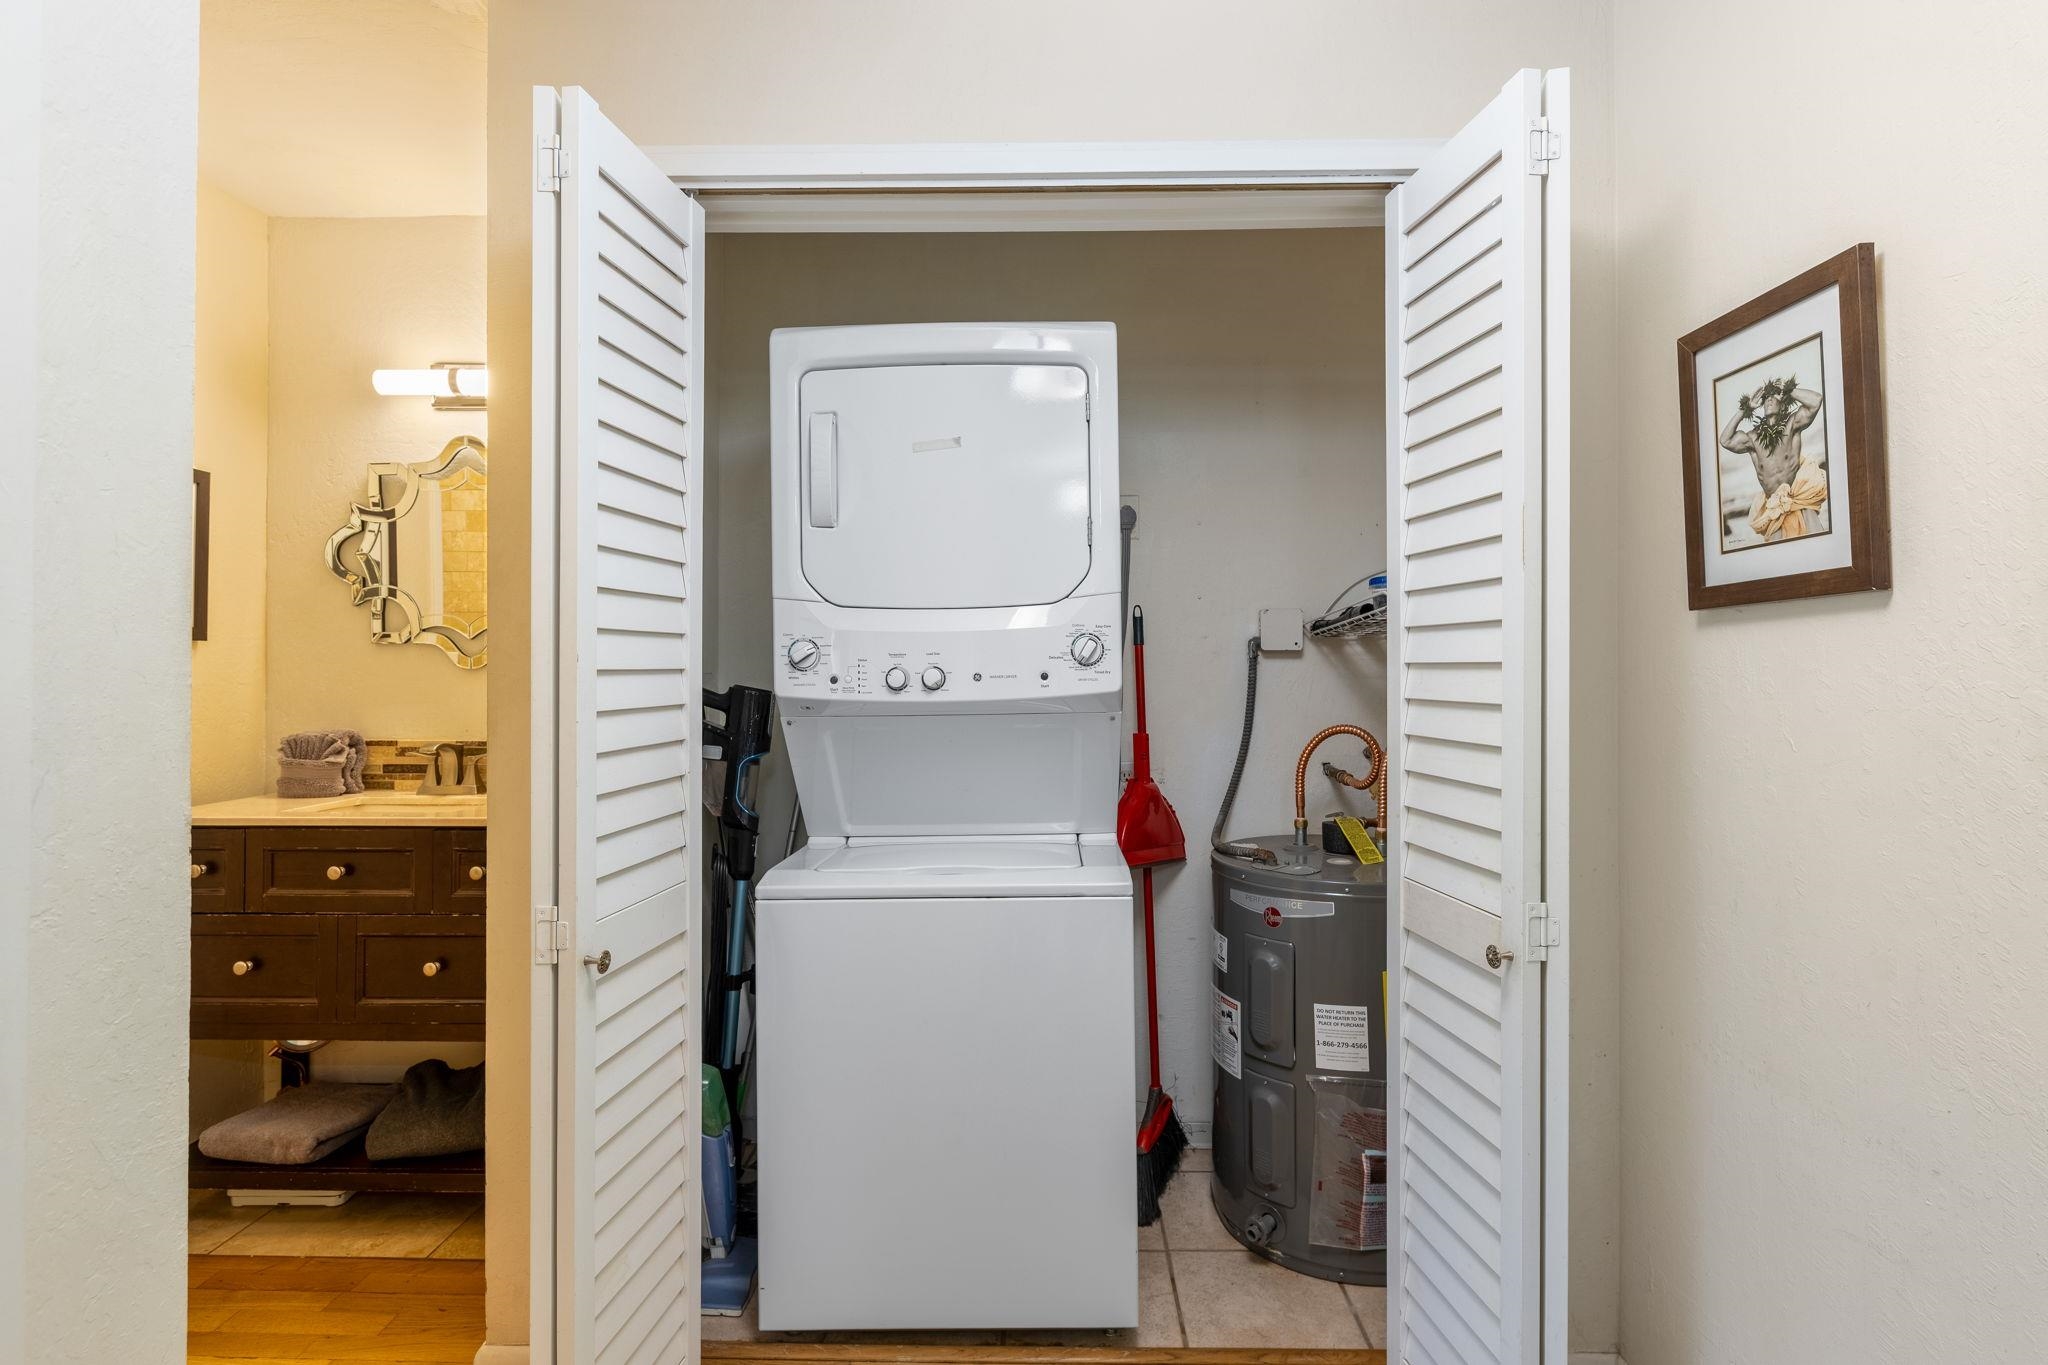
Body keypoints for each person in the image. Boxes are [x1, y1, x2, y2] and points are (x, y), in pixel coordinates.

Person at [1719, 377, 1826, 542]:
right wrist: (1745, 409)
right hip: (1773, 511)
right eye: (1766, 396)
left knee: (1815, 551)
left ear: (1782, 401)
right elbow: (1725, 440)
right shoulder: (1753, 438)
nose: (1769, 398)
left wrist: (1788, 390)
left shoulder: (1792, 424)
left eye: (1774, 395)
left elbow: (1816, 401)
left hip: (1799, 504)